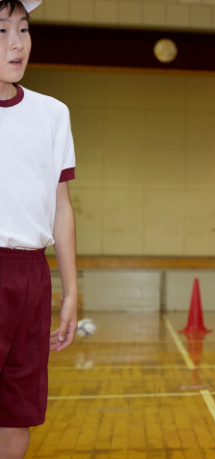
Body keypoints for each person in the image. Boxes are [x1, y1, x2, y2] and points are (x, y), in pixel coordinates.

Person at [0, 1, 79, 457]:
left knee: (18, 411)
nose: (17, 43)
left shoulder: (52, 114)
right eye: (2, 30)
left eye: (24, 29)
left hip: (31, 275)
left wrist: (70, 292)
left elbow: (61, 207)